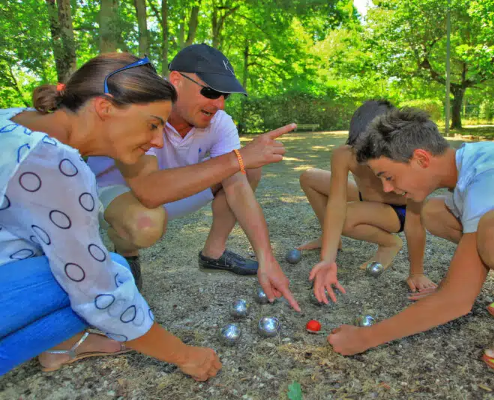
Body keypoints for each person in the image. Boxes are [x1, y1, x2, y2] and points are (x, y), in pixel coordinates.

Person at [326, 107, 494, 379]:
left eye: (388, 176)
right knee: (436, 212)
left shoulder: (490, 182)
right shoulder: (469, 160)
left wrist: (366, 337)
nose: (387, 188)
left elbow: (456, 301)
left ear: (421, 159)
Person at [0, 53, 222, 379]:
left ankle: (61, 345)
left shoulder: (14, 118)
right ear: (104, 108)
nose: (157, 141)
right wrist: (184, 354)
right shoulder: (56, 164)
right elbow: (99, 292)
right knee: (109, 273)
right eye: (152, 124)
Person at [87, 44, 300, 311]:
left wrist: (267, 259)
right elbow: (149, 192)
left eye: (225, 96)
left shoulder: (219, 121)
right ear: (176, 80)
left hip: (170, 192)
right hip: (119, 194)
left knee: (246, 171)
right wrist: (238, 158)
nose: (219, 104)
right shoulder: (140, 109)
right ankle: (127, 252)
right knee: (146, 223)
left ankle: (214, 252)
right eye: (211, 91)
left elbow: (238, 189)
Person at [298, 100, 436, 304]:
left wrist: (417, 272)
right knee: (309, 177)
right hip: (366, 200)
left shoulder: (402, 157)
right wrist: (327, 257)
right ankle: (331, 239)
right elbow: (336, 201)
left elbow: (416, 221)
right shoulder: (345, 154)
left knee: (345, 216)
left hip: (398, 211)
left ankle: (389, 243)